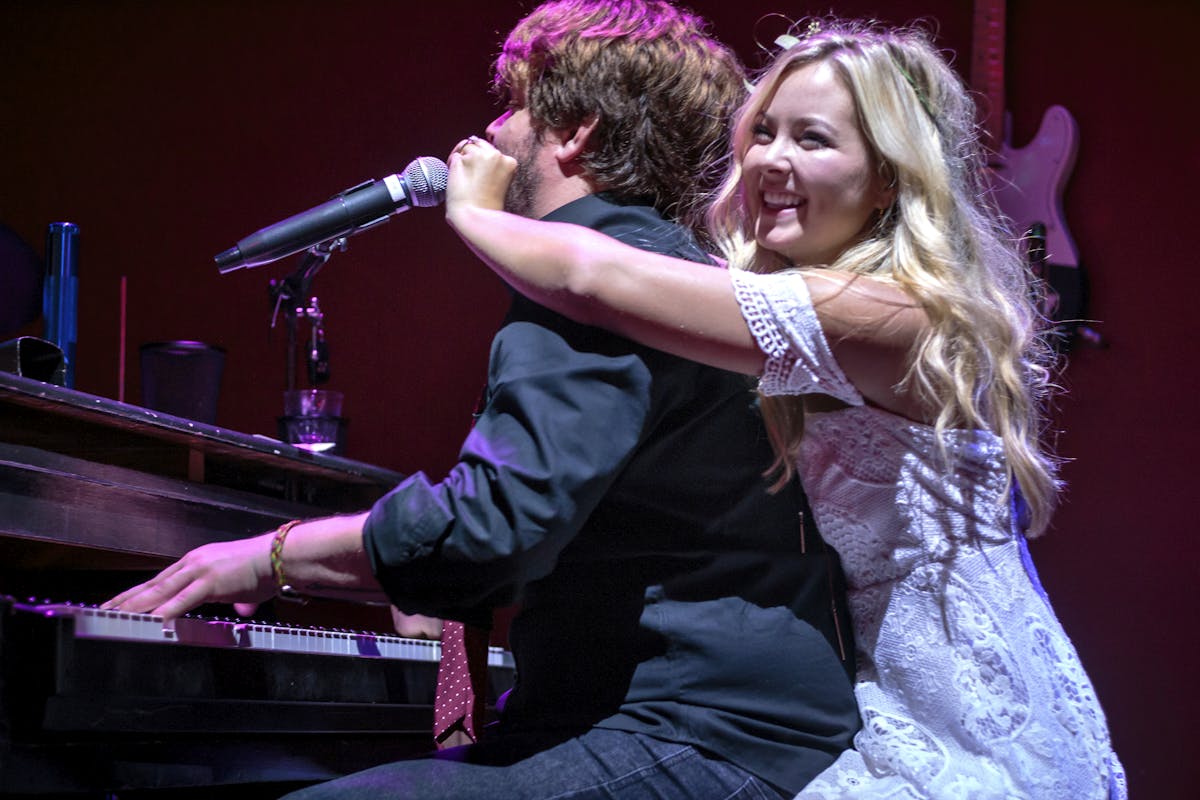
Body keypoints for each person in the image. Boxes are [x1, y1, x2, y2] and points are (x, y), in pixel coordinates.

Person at [104, 2, 859, 798]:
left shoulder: (596, 281)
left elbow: (493, 529)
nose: (492, 134)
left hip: (697, 733)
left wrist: (271, 555)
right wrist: (412, 570)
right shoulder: (658, 265)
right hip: (695, 719)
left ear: (573, 132)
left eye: (514, 108)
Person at [443, 16, 1126, 800]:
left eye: (812, 139)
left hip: (961, 718)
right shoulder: (791, 317)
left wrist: (474, 214)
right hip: (868, 700)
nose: (771, 157)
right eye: (762, 130)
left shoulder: (902, 317)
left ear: (888, 179)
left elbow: (597, 280)